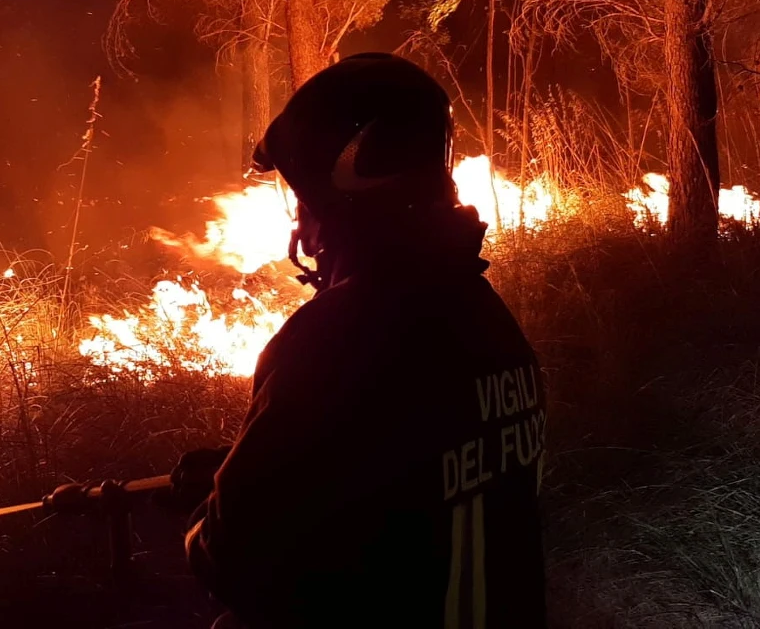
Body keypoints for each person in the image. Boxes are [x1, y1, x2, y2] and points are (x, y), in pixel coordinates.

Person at [162, 53, 547, 628]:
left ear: (340, 199)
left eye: (304, 202)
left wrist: (215, 503)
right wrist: (254, 467)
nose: (302, 226)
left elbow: (233, 563)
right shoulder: (489, 321)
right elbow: (402, 468)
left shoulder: (333, 337)